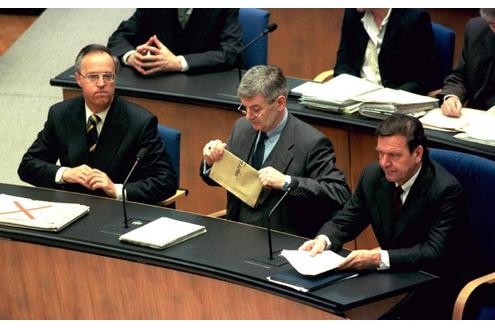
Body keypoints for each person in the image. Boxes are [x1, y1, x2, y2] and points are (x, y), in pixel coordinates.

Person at [299, 114, 473, 319]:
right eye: (380, 153)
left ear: (417, 153)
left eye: (393, 155)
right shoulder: (373, 176)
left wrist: (378, 258)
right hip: (393, 276)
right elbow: (348, 218)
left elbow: (434, 252)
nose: (384, 163)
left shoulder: (446, 190)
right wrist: (324, 239)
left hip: (436, 283)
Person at [200, 65, 351, 238]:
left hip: (282, 241)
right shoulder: (242, 127)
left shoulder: (311, 142)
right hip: (237, 235)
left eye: (256, 109)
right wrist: (211, 161)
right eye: (244, 107)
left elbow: (339, 193)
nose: (248, 116)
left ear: (280, 103)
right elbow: (225, 177)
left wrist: (287, 182)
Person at [18, 44, 177, 205]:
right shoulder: (60, 114)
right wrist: (66, 173)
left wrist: (116, 189)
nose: (101, 83)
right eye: (93, 76)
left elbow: (166, 181)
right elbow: (28, 166)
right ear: (79, 79)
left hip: (117, 211)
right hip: (73, 207)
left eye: (108, 76)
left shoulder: (140, 122)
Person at [334, 8, 439, 95]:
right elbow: (343, 62)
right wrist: (349, 87)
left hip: (394, 103)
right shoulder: (353, 13)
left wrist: (388, 96)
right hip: (355, 98)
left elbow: (423, 78)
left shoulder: (415, 19)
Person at [107, 9, 243, 75]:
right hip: (156, 82)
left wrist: (179, 63)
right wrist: (131, 56)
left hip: (204, 82)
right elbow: (119, 37)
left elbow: (230, 52)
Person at [439, 8, 495, 117]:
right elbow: (460, 76)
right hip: (473, 119)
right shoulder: (476, 29)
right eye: (493, 25)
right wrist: (452, 97)